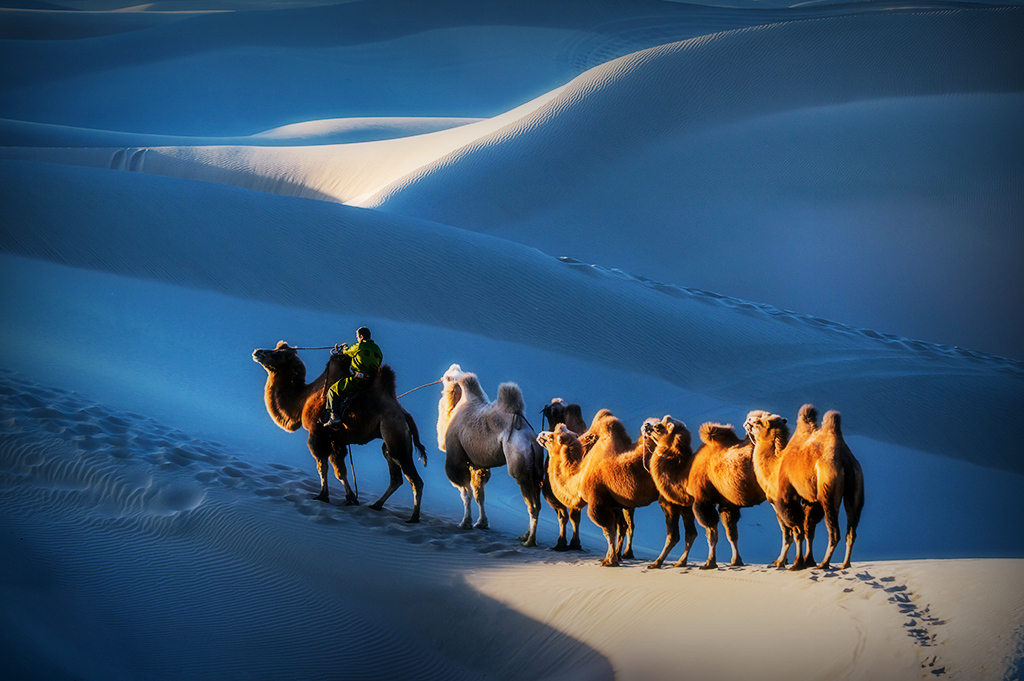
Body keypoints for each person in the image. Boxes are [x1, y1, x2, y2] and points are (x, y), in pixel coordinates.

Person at [322, 327, 383, 427]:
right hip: (372, 383)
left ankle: (334, 417)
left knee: (333, 390)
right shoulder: (377, 349)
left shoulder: (360, 346)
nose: (357, 339)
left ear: (361, 337)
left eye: (357, 337)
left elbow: (347, 352)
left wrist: (344, 348)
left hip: (359, 380)